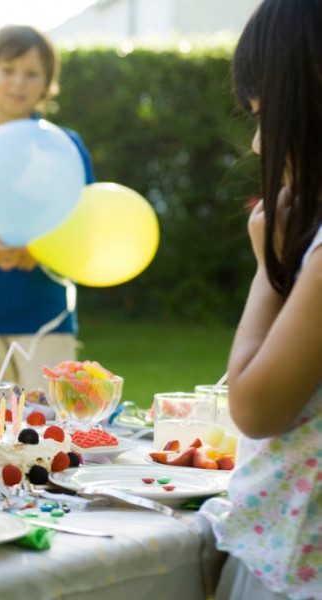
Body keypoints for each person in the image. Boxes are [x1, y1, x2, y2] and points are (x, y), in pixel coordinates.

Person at [199, 1, 322, 598]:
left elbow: (253, 406)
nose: (255, 141)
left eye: (264, 115)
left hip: (294, 564)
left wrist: (269, 271)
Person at [0, 25, 95, 394]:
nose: (18, 82)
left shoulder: (65, 147)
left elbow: (83, 224)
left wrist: (39, 247)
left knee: (51, 425)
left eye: (32, 73)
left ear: (47, 84)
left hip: (46, 318)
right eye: (8, 69)